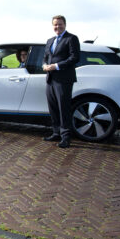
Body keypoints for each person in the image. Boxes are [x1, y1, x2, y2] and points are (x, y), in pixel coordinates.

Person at [42, 15, 80, 148]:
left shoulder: (71, 38)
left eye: (60, 24)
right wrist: (44, 65)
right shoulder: (50, 40)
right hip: (50, 79)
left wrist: (56, 66)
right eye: (55, 25)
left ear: (65, 24)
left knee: (64, 109)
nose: (57, 27)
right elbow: (46, 57)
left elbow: (75, 57)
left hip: (64, 80)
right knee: (53, 108)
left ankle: (66, 138)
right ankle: (56, 133)